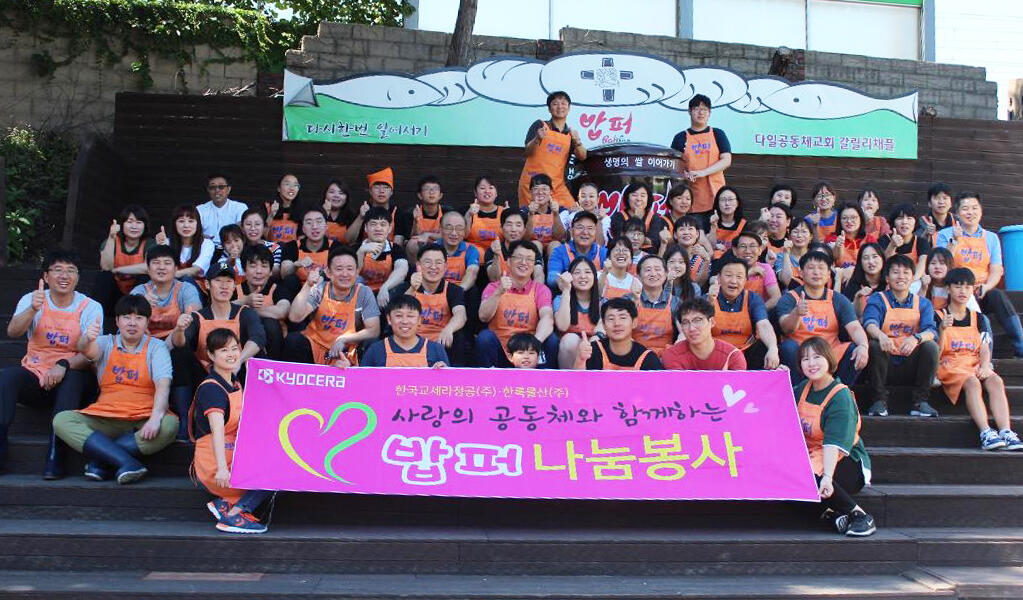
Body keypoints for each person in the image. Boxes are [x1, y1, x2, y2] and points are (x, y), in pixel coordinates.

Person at [53, 294, 176, 485]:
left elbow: (163, 385)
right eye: (127, 317)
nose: (132, 323)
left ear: (147, 322)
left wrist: (155, 418)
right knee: (61, 420)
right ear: (117, 321)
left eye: (139, 318)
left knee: (169, 426)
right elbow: (86, 350)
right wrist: (87, 339)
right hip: (105, 416)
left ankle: (101, 461)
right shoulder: (105, 342)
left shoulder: (157, 347)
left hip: (141, 418)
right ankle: (127, 462)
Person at [0, 250, 102, 478]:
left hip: (73, 378)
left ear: (78, 277)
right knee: (6, 377)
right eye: (58, 270)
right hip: (36, 374)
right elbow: (13, 331)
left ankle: (56, 455)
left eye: (71, 271)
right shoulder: (32, 299)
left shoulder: (91, 307)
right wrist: (33, 310)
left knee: (73, 378)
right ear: (46, 276)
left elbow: (91, 355)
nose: (64, 275)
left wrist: (64, 364)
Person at [190, 327, 274, 534]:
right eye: (223, 351)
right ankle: (236, 513)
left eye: (234, 348)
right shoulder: (212, 388)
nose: (231, 354)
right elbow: (217, 430)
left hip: (233, 456)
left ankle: (224, 504)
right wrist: (221, 469)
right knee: (274, 475)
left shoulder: (234, 383)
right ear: (210, 355)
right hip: (215, 465)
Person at [794, 336, 875, 537]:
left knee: (805, 476)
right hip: (812, 455)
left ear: (829, 359)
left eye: (817, 357)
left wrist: (828, 477)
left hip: (845, 461)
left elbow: (833, 444)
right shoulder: (803, 389)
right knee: (785, 480)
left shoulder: (840, 396)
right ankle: (833, 516)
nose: (811, 363)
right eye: (805, 359)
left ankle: (859, 515)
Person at [935, 268, 1022, 451]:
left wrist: (984, 366)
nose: (963, 291)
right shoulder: (938, 315)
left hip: (972, 362)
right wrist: (942, 329)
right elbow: (937, 351)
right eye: (958, 286)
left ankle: (1006, 431)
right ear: (948, 289)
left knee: (996, 380)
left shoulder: (978, 318)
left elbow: (984, 345)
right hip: (950, 364)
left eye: (967, 287)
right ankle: (985, 432)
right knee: (973, 383)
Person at [936, 192, 1023, 358]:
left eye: (974, 208)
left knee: (997, 296)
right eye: (965, 209)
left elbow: (996, 268)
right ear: (957, 214)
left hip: (981, 291)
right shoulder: (945, 234)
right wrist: (954, 241)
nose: (970, 212)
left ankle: (1020, 345)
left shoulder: (990, 238)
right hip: (956, 293)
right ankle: (984, 355)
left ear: (981, 211)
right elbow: (941, 265)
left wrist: (987, 286)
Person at [862, 254, 940, 417]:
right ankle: (879, 401)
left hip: (911, 363)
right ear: (887, 278)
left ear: (913, 278)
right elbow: (869, 322)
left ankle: (920, 402)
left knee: (931, 346)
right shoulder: (878, 299)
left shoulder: (923, 303)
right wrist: (881, 336)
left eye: (906, 273)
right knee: (874, 345)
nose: (901, 277)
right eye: (896, 272)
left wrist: (916, 338)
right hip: (886, 363)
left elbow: (931, 331)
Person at [776, 250, 870, 386]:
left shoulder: (838, 299)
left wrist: (863, 346)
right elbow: (786, 329)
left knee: (855, 349)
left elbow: (854, 327)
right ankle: (800, 392)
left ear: (828, 275)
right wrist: (796, 313)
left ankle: (837, 391)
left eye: (821, 268)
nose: (816, 272)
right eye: (811, 268)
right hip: (801, 353)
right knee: (788, 347)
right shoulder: (789, 298)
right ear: (801, 273)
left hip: (830, 352)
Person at [170, 261, 266, 391]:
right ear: (207, 284)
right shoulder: (197, 316)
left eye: (228, 281)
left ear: (234, 286)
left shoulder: (245, 313)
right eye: (218, 281)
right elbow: (179, 343)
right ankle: (184, 409)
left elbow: (258, 338)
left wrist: (238, 361)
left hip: (238, 372)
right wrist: (180, 329)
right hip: (204, 375)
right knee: (179, 354)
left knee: (256, 353)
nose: (224, 286)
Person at [285, 246, 381, 366]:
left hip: (348, 349)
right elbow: (295, 317)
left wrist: (344, 339)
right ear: (329, 272)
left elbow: (373, 330)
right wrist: (308, 286)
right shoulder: (320, 289)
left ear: (357, 273)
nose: (345, 274)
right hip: (317, 345)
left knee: (373, 344)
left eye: (350, 269)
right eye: (339, 269)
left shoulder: (364, 293)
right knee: (293, 340)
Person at [477, 241, 557, 368]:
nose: (524, 262)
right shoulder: (494, 287)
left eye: (529, 259)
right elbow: (483, 316)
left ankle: (546, 383)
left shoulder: (540, 290)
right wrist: (499, 292)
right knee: (484, 337)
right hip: (503, 351)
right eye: (519, 258)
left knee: (551, 339)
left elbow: (547, 318)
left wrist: (533, 345)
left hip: (530, 352)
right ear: (508, 261)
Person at [394, 245, 468, 366]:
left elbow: (461, 315)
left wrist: (449, 329)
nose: (433, 267)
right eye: (428, 262)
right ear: (418, 265)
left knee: (458, 336)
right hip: (411, 338)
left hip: (440, 340)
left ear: (445, 267)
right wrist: (412, 289)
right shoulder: (406, 287)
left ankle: (454, 378)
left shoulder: (453, 290)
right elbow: (396, 312)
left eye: (438, 263)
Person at [707, 255, 780, 369]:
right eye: (728, 275)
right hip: (715, 354)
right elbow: (699, 328)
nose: (733, 281)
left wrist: (773, 348)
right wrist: (710, 301)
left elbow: (763, 324)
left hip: (746, 352)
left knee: (765, 347)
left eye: (739, 277)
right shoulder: (707, 298)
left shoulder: (752, 298)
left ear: (746, 280)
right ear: (719, 278)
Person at [518, 91, 586, 209]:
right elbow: (528, 151)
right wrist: (537, 139)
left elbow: (582, 156)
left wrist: (578, 141)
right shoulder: (540, 125)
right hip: (533, 185)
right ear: (549, 109)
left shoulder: (570, 134)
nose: (560, 107)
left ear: (569, 108)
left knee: (573, 213)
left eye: (564, 103)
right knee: (533, 219)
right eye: (555, 104)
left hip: (557, 186)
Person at [669, 94, 731, 223]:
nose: (701, 112)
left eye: (704, 109)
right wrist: (684, 174)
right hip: (692, 198)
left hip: (717, 195)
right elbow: (673, 166)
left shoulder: (718, 134)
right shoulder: (680, 137)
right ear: (689, 112)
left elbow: (726, 160)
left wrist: (703, 172)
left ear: (709, 113)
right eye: (696, 108)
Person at [95, 205, 155, 324]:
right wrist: (111, 237)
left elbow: (149, 267)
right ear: (122, 224)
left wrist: (119, 270)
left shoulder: (150, 243)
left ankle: (138, 319)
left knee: (146, 277)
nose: (134, 226)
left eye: (139, 222)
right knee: (103, 277)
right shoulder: (112, 241)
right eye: (129, 222)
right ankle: (97, 318)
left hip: (138, 294)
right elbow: (106, 267)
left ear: (144, 225)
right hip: (114, 294)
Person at [129, 245, 203, 340]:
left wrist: (188, 316)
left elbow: (195, 315)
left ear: (176, 268)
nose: (161, 267)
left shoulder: (186, 289)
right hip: (145, 344)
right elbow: (127, 321)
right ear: (148, 268)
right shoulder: (139, 291)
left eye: (167, 263)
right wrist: (141, 304)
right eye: (156, 263)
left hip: (177, 341)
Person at [236, 244, 292, 360]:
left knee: (270, 323)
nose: (259, 271)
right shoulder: (235, 289)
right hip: (239, 344)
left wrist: (249, 310)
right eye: (253, 266)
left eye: (264, 266)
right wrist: (245, 301)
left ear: (271, 271)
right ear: (244, 270)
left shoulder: (277, 288)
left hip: (275, 347)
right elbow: (221, 308)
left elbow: (282, 311)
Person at [359, 296, 450, 368]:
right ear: (389, 319)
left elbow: (447, 385)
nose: (405, 321)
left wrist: (444, 373)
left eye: (410, 316)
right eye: (398, 316)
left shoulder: (436, 349)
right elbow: (363, 382)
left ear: (419, 320)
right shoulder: (376, 350)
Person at [575, 298, 663, 370]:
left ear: (634, 322)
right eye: (611, 318)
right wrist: (581, 360)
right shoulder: (592, 351)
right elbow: (576, 385)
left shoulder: (648, 358)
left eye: (622, 317)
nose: (617, 323)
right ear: (604, 325)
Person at [661, 297, 746, 370]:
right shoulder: (672, 355)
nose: (692, 328)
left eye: (697, 320)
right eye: (685, 322)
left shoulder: (732, 356)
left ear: (712, 322)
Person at [356, 207, 409, 308]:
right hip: (361, 294)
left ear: (389, 228)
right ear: (366, 228)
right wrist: (361, 252)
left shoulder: (395, 249)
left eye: (383, 224)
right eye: (373, 224)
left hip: (386, 293)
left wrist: (384, 288)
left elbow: (402, 270)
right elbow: (351, 275)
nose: (378, 228)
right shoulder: (356, 248)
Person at [554, 256, 601, 369]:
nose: (583, 276)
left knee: (597, 342)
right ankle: (569, 384)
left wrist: (594, 339)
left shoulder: (603, 303)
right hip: (570, 354)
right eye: (577, 272)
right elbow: (562, 326)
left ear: (594, 277)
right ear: (570, 276)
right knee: (570, 339)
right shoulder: (560, 299)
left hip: (593, 351)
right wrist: (566, 290)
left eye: (587, 272)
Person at [633, 255, 682, 357]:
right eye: (648, 270)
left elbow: (684, 333)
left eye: (657, 269)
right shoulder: (629, 300)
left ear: (666, 274)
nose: (653, 273)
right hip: (635, 356)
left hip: (666, 357)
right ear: (638, 275)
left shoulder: (675, 303)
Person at [547, 211, 607, 287]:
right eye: (580, 227)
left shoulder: (603, 252)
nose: (585, 232)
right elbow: (551, 278)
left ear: (595, 232)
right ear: (571, 231)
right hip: (568, 294)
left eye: (590, 228)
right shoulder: (560, 251)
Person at [609, 182, 671, 254]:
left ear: (648, 198)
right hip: (624, 254)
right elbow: (620, 238)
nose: (639, 199)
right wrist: (636, 219)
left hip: (649, 257)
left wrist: (631, 236)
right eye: (634, 195)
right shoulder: (618, 216)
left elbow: (654, 240)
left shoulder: (654, 217)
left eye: (643, 195)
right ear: (627, 197)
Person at [484, 209, 544, 284]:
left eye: (518, 225)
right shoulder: (493, 250)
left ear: (524, 229)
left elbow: (539, 274)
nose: (513, 229)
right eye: (509, 225)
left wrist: (536, 292)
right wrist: (496, 255)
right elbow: (494, 279)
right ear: (501, 228)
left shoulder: (531, 249)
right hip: (501, 291)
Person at [281, 207, 336, 285]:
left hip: (326, 290)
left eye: (319, 222)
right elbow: (284, 275)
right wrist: (295, 265)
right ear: (303, 229)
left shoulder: (336, 247)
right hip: (298, 291)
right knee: (290, 280)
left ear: (326, 226)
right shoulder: (292, 246)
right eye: (309, 223)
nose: (314, 227)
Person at [160, 204, 216, 281]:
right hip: (169, 284)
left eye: (191, 221)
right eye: (181, 221)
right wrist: (161, 248)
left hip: (195, 286)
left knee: (186, 279)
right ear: (174, 224)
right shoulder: (167, 243)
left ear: (198, 224)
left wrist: (173, 274)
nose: (186, 225)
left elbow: (197, 270)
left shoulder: (207, 244)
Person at [346, 167, 400, 246]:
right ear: (370, 191)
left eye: (386, 187)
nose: (381, 191)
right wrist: (360, 217)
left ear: (391, 192)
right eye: (377, 187)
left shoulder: (398, 213)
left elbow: (398, 243)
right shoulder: (362, 210)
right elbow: (349, 240)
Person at [403, 176, 454, 258]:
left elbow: (450, 234)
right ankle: (415, 269)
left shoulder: (448, 212)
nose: (431, 192)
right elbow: (412, 237)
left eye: (435, 189)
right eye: (427, 189)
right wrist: (416, 221)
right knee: (412, 243)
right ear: (420, 195)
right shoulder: (410, 212)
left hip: (440, 247)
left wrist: (427, 234)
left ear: (440, 195)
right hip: (420, 247)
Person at [731, 230, 781, 310]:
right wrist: (748, 274)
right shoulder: (728, 268)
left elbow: (776, 297)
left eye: (752, 246)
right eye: (743, 246)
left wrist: (757, 313)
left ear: (760, 250)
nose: (748, 251)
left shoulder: (765, 268)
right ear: (735, 251)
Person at [880, 203, 929, 281]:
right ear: (894, 222)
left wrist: (910, 282)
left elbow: (922, 264)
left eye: (909, 218)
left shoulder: (921, 242)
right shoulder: (884, 239)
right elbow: (884, 264)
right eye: (900, 218)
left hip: (913, 282)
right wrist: (892, 245)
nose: (905, 222)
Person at [197, 174, 248, 246]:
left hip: (232, 249)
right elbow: (194, 232)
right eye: (212, 187)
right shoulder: (199, 209)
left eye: (221, 187)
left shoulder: (240, 207)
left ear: (228, 189)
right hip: (206, 248)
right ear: (208, 190)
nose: (217, 190)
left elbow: (241, 229)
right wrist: (201, 237)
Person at [522, 174, 567, 255]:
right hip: (531, 252)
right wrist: (531, 215)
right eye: (536, 189)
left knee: (555, 244)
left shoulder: (561, 211)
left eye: (544, 189)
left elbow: (560, 237)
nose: (540, 192)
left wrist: (556, 214)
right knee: (536, 244)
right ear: (530, 192)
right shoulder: (523, 212)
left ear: (551, 191)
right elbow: (525, 238)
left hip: (553, 249)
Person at [437, 211, 480, 291]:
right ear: (440, 229)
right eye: (449, 228)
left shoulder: (470, 250)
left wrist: (458, 292)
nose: (454, 233)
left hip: (461, 289)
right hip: (437, 290)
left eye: (459, 229)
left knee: (473, 290)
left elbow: (472, 272)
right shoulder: (432, 248)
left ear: (464, 231)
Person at [838, 243, 885, 316]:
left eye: (875, 257)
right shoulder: (853, 284)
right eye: (866, 258)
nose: (871, 262)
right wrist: (858, 297)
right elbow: (847, 315)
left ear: (882, 259)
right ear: (860, 263)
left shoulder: (890, 284)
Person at [465, 175, 506, 257]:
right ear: (475, 193)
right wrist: (468, 215)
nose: (487, 191)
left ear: (496, 193)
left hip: (498, 258)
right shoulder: (466, 210)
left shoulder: (504, 212)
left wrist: (510, 218)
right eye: (482, 188)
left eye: (491, 188)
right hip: (473, 258)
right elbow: (462, 235)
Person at [827, 204, 878, 270]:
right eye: (844, 218)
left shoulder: (869, 239)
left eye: (853, 217)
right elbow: (832, 257)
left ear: (861, 219)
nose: (849, 221)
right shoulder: (832, 238)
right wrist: (838, 246)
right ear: (839, 221)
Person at [239, 207, 282, 276]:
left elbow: (275, 270)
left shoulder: (274, 248)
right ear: (242, 227)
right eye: (248, 224)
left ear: (264, 226)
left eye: (257, 224)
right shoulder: (237, 248)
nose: (253, 228)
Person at [672, 215, 712, 287]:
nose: (686, 232)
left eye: (690, 229)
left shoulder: (703, 257)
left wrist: (707, 260)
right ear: (675, 235)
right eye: (682, 229)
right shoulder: (670, 255)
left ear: (697, 234)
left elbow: (700, 284)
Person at [709, 186, 746, 259]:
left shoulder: (744, 225)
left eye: (730, 199)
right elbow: (708, 247)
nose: (727, 203)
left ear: (737, 203)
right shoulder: (710, 221)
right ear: (717, 203)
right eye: (723, 200)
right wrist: (713, 226)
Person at [776, 218, 814, 290]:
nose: (799, 235)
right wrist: (786, 253)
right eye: (795, 232)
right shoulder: (781, 256)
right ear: (789, 236)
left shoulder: (815, 257)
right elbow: (786, 281)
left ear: (811, 237)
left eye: (804, 232)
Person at [265, 173, 302, 244]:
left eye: (295, 185)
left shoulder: (301, 211)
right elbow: (262, 235)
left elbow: (302, 239)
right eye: (287, 184)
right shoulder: (267, 207)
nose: (292, 188)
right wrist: (271, 215)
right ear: (279, 188)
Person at [322, 179, 355, 244]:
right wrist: (323, 214)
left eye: (341, 193)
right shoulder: (314, 212)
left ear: (346, 198)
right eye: (332, 192)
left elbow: (352, 241)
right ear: (325, 194)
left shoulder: (352, 216)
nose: (336, 196)